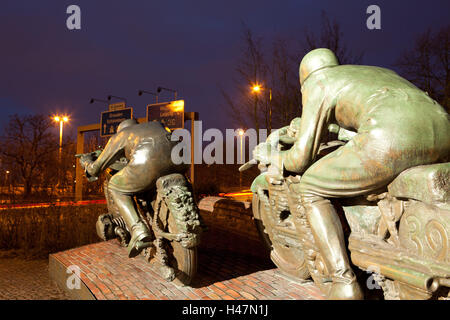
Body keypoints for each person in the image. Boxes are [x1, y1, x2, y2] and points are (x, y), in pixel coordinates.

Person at [253, 48, 450, 299]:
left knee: (311, 186)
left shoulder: (319, 82)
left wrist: (274, 157)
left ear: (305, 78)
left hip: (391, 136)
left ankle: (343, 282)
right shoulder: (374, 73)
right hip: (443, 128)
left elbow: (301, 158)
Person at [80, 119, 187, 258]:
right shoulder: (156, 124)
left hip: (148, 161)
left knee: (115, 186)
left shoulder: (121, 135)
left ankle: (138, 230)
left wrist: (87, 161)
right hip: (181, 158)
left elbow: (95, 170)